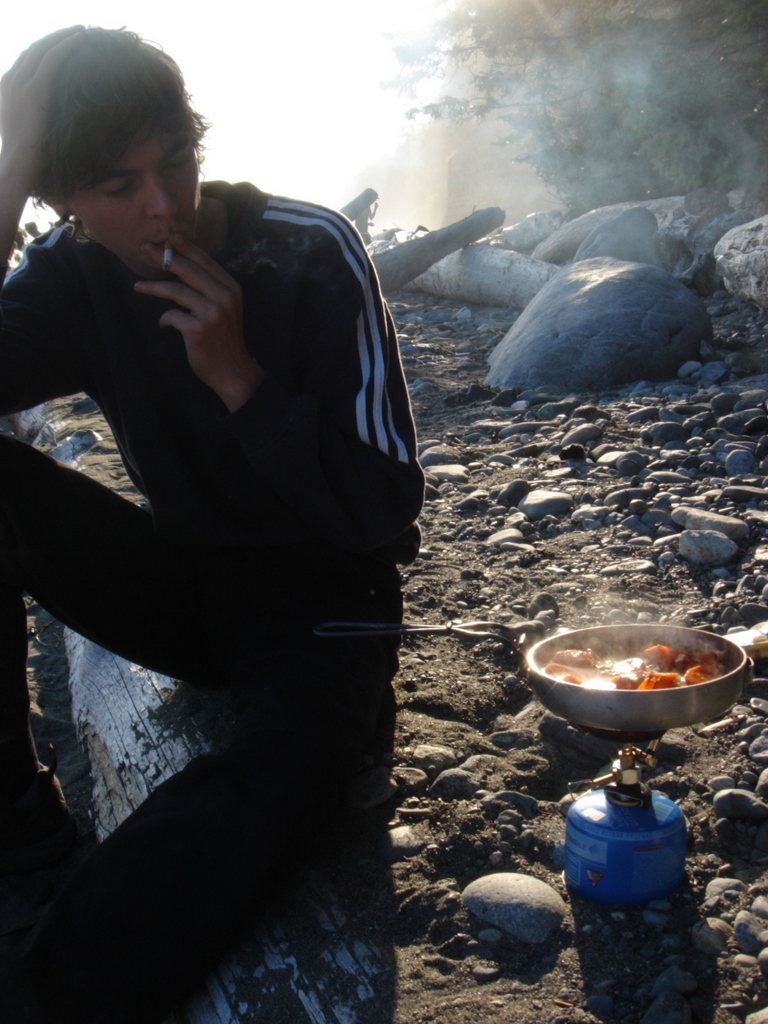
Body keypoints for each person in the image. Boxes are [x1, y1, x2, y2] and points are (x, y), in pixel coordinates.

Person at [0, 26, 424, 1023]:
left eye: (177, 161)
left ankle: (42, 996)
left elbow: (383, 506)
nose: (164, 204)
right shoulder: (71, 274)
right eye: (119, 185)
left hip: (328, 597)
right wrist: (11, 165)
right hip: (186, 585)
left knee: (288, 775)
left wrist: (241, 382)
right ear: (64, 199)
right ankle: (19, 818)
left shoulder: (307, 251)